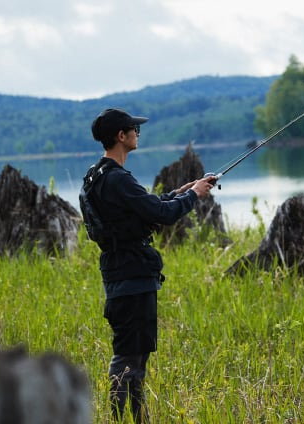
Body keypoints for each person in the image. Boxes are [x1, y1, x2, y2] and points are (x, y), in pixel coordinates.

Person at [83, 108, 214, 423]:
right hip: (131, 277)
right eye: (133, 129)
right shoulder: (117, 179)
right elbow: (162, 215)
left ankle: (134, 417)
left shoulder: (96, 176)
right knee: (130, 357)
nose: (138, 134)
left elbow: (142, 211)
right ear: (121, 136)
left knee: (134, 354)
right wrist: (195, 195)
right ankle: (125, 418)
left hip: (121, 273)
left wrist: (178, 193)